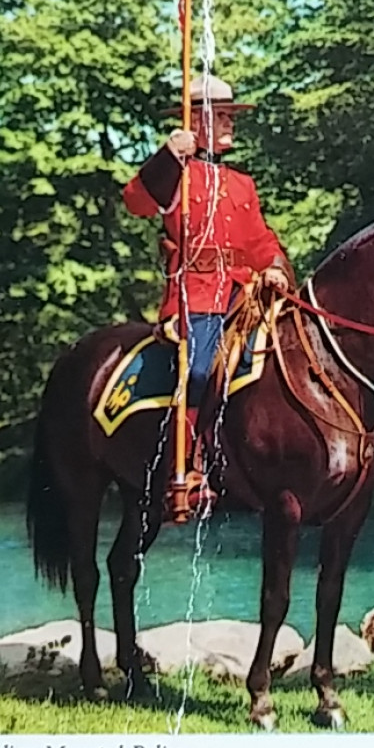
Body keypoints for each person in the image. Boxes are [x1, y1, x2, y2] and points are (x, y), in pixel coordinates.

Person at [122, 74, 293, 521]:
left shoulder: (242, 184)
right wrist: (169, 155)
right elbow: (137, 201)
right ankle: (190, 467)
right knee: (199, 368)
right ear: (196, 120)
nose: (232, 125)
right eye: (223, 117)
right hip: (194, 297)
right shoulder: (175, 174)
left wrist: (274, 264)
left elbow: (260, 240)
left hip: (243, 296)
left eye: (232, 116)